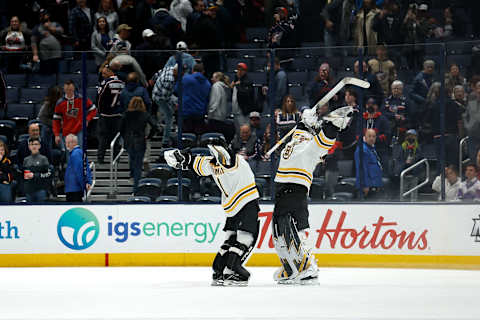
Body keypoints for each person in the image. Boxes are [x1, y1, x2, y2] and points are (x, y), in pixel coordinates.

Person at [272, 105, 354, 284]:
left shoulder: (312, 146)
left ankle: (306, 267)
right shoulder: (299, 137)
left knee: (287, 229)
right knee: (285, 232)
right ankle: (292, 268)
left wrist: (334, 125)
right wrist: (305, 121)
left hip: (294, 187)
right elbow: (298, 131)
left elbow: (325, 139)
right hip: (285, 187)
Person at [164, 143, 260, 286]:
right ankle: (233, 269)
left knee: (231, 239)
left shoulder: (211, 164)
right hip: (247, 202)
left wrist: (180, 158)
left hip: (231, 206)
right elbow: (226, 158)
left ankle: (219, 268)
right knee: (246, 239)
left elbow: (192, 162)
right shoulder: (234, 161)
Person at [120, 97, 157, 193]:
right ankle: (136, 187)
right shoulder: (145, 114)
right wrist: (149, 136)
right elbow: (155, 127)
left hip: (129, 141)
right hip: (140, 140)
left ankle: (132, 177)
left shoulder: (126, 114)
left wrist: (125, 137)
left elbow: (121, 128)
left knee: (132, 161)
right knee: (138, 164)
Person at [53, 80, 97, 158]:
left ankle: (79, 169)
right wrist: (56, 134)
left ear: (74, 89)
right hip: (66, 132)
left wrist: (87, 119)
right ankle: (70, 169)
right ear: (64, 89)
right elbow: (56, 120)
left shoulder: (82, 99)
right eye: (67, 90)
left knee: (79, 152)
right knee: (69, 154)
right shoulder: (60, 103)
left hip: (79, 130)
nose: (68, 92)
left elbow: (93, 109)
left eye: (70, 90)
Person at [96, 64, 125, 164]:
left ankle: (100, 159)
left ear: (110, 72)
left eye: (105, 72)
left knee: (103, 138)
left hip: (105, 115)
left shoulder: (106, 83)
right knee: (116, 138)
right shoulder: (122, 83)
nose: (103, 74)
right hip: (117, 115)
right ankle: (116, 159)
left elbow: (99, 98)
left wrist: (100, 111)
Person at [179, 63, 211, 135]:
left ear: (193, 70)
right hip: (200, 114)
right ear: (203, 72)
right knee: (198, 136)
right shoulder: (207, 83)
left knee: (187, 137)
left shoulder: (186, 79)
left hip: (186, 112)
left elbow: (176, 90)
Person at [152, 64, 178, 148]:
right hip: (159, 97)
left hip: (159, 91)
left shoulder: (169, 68)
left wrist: (153, 80)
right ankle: (165, 141)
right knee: (169, 115)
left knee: (175, 102)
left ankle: (161, 126)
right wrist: (174, 105)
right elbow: (165, 97)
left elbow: (158, 73)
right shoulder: (169, 80)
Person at [355, 128, 384, 200]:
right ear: (365, 137)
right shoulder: (363, 150)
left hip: (374, 183)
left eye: (374, 136)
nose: (372, 138)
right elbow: (362, 169)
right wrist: (365, 185)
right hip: (368, 185)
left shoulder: (371, 149)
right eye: (369, 136)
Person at [31, 9, 63, 74]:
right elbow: (33, 42)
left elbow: (61, 31)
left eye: (43, 15)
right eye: (40, 15)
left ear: (48, 15)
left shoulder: (55, 23)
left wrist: (50, 28)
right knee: (47, 73)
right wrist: (35, 55)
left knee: (57, 73)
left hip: (56, 54)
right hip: (45, 56)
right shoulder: (37, 27)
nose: (42, 17)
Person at [23, 137, 52, 202]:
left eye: (36, 144)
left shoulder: (43, 159)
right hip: (29, 190)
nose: (34, 146)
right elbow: (24, 176)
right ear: (29, 147)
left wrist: (35, 175)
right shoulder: (26, 160)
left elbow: (49, 174)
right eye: (32, 144)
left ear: (39, 146)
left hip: (40, 190)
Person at [207, 71, 234, 142]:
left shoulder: (216, 86)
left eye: (213, 77)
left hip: (215, 117)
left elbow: (215, 101)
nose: (211, 79)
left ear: (217, 78)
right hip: (221, 117)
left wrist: (210, 113)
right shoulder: (223, 87)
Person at [64, 134, 92, 202]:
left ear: (74, 143)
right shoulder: (77, 153)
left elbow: (80, 171)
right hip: (74, 189)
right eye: (66, 143)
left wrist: (83, 186)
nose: (66, 145)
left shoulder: (76, 154)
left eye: (68, 142)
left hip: (74, 190)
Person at [37, 86, 63, 155]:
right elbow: (41, 117)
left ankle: (64, 153)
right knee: (46, 130)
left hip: (61, 127)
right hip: (49, 125)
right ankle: (46, 153)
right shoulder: (47, 104)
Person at [232, 62, 255, 130]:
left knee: (244, 130)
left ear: (245, 71)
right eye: (238, 70)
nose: (239, 72)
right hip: (235, 111)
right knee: (238, 132)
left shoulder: (248, 81)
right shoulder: (236, 80)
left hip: (243, 112)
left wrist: (238, 85)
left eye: (241, 70)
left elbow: (246, 95)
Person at [463, 81, 480, 163]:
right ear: (476, 90)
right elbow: (465, 116)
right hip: (473, 136)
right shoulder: (472, 103)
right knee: (473, 159)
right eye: (478, 88)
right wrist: (468, 127)